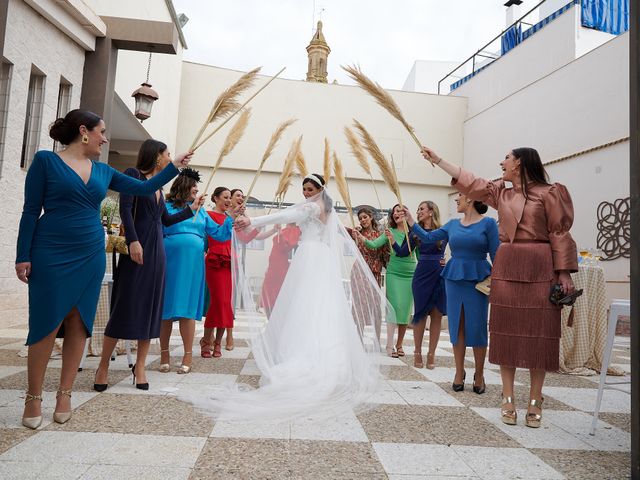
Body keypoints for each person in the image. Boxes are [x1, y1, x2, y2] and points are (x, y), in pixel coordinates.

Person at [16, 109, 192, 429]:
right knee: (44, 323)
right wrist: (22, 255)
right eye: (102, 132)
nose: (105, 138)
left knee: (80, 322)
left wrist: (174, 165)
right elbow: (30, 212)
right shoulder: (46, 161)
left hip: (90, 252)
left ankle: (65, 394)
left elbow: (140, 189)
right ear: (84, 131)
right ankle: (33, 396)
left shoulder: (104, 170)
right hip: (50, 249)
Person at [178, 173, 387, 421]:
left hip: (310, 257)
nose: (306, 193)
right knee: (315, 306)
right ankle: (326, 356)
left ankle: (302, 356)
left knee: (307, 304)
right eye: (304, 189)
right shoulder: (328, 211)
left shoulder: (311, 207)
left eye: (310, 189)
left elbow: (285, 216)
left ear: (319, 189)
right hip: (321, 258)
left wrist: (251, 222)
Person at [420, 146, 577, 427]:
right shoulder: (500, 193)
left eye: (507, 158)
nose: (501, 162)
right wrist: (439, 160)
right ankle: (507, 398)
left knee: (539, 334)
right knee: (506, 331)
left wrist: (563, 273)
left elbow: (560, 233)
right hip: (507, 263)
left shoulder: (550, 192)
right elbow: (470, 181)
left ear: (519, 164)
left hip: (540, 264)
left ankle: (535, 399)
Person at [93, 140, 204, 392]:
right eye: (166, 154)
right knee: (124, 306)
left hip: (157, 253)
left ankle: (140, 365)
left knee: (151, 309)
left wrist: (192, 209)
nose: (168, 157)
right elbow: (125, 207)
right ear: (156, 157)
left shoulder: (159, 190)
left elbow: (166, 219)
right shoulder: (134, 176)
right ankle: (103, 366)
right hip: (138, 249)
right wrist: (132, 240)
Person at [400, 195, 499, 393]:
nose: (457, 199)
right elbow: (428, 238)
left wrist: (497, 280)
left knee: (478, 327)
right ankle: (458, 372)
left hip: (478, 279)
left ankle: (479, 374)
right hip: (453, 279)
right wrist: (411, 220)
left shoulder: (488, 223)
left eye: (460, 196)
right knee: (457, 326)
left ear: (471, 198)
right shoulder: (452, 224)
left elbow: (497, 254)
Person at [158, 169, 246, 374]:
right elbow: (163, 225)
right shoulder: (167, 207)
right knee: (166, 310)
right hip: (170, 262)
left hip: (193, 265)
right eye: (193, 189)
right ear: (183, 188)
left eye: (197, 190)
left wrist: (231, 216)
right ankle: (164, 354)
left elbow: (219, 234)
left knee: (187, 309)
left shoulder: (201, 211)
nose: (196, 193)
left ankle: (187, 355)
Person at [201, 187, 278, 356]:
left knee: (226, 304)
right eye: (225, 197)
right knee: (217, 302)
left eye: (230, 197)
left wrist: (259, 225)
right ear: (215, 198)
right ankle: (206, 341)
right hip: (214, 261)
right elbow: (211, 235)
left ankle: (218, 343)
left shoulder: (234, 219)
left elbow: (244, 238)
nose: (229, 200)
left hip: (230, 262)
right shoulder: (207, 215)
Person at [391, 201, 447, 369]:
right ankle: (417, 352)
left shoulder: (443, 231)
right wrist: (392, 240)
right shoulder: (414, 232)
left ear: (431, 211)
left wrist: (448, 263)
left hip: (439, 274)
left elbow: (456, 249)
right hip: (422, 275)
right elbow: (402, 253)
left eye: (421, 208)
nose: (418, 211)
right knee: (420, 314)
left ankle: (432, 353)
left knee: (436, 315)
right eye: (418, 209)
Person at [355, 205, 415, 357]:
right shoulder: (388, 232)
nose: (397, 213)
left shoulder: (414, 233)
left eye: (400, 211)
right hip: (393, 272)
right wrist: (360, 236)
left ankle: (399, 345)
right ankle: (389, 345)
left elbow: (420, 254)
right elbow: (374, 244)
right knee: (393, 309)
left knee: (405, 310)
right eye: (395, 211)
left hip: (410, 273)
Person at [346, 207, 388, 344]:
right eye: (360, 218)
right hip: (358, 272)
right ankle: (359, 340)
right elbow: (342, 230)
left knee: (375, 305)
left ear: (371, 217)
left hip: (374, 272)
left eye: (365, 217)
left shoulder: (380, 235)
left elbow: (385, 255)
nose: (363, 220)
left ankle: (377, 340)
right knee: (359, 305)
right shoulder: (356, 233)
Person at [259, 223, 301, 318]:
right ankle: (271, 323)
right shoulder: (286, 229)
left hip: (279, 267)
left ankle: (274, 323)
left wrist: (280, 234)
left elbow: (287, 245)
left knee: (276, 296)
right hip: (273, 266)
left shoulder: (295, 230)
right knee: (268, 295)